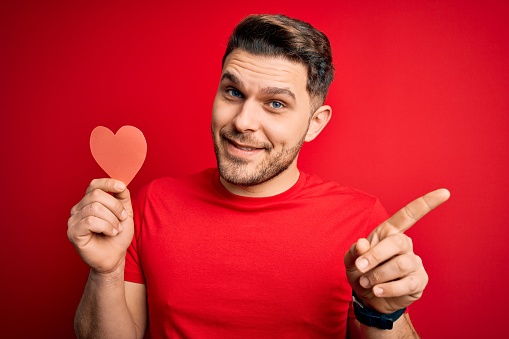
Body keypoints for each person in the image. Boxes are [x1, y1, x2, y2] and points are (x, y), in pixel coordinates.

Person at [68, 14, 449, 338]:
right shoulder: (151, 204)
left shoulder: (361, 221)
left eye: (276, 103)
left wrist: (382, 315)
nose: (243, 122)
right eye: (233, 92)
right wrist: (106, 271)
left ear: (315, 123)